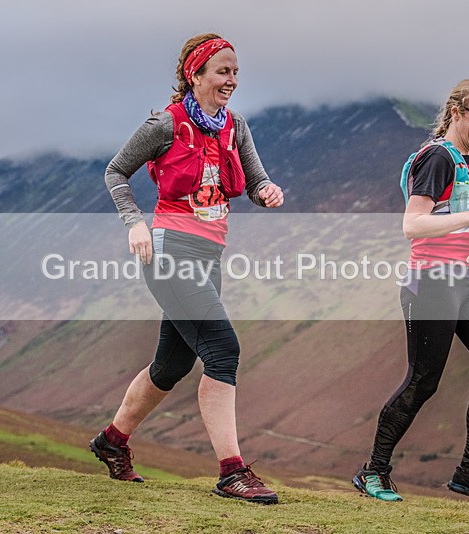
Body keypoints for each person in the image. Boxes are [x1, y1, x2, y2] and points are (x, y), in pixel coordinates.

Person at [90, 33, 283, 504]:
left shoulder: (235, 125)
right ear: (195, 75)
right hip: (169, 251)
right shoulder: (163, 126)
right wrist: (134, 224)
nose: (232, 80)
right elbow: (115, 172)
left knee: (171, 364)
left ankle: (112, 442)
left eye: (236, 71)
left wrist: (267, 191)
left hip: (208, 256)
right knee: (223, 349)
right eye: (222, 71)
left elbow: (254, 180)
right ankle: (232, 472)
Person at [352, 79, 469, 504]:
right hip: (430, 282)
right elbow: (414, 225)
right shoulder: (437, 158)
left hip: (468, 279)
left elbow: (455, 218)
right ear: (458, 111)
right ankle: (374, 471)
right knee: (423, 381)